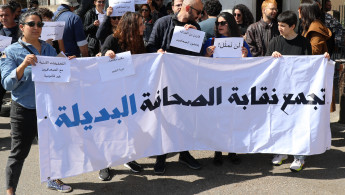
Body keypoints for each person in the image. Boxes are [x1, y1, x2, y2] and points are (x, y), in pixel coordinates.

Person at [1, 11, 73, 195]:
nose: (36, 28)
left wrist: (64, 64)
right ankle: (10, 191)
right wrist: (23, 65)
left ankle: (53, 180)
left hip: (47, 109)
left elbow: (55, 75)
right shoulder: (10, 51)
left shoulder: (48, 49)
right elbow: (7, 83)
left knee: (52, 149)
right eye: (32, 24)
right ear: (22, 27)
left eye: (40, 25)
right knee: (18, 154)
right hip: (23, 110)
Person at [266, 10, 330, 172]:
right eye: (278, 25)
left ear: (292, 26)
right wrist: (271, 57)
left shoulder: (303, 43)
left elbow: (310, 66)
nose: (279, 28)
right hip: (278, 92)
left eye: (283, 26)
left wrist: (324, 60)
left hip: (298, 92)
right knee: (280, 122)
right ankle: (281, 152)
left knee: (298, 123)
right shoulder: (274, 42)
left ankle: (299, 156)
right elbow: (265, 65)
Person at [147, 0, 203, 174]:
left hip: (185, 81)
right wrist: (158, 52)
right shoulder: (163, 22)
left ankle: (184, 153)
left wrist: (197, 37)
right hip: (164, 80)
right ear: (188, 8)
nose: (200, 16)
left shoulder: (196, 27)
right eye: (198, 12)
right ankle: (161, 156)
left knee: (184, 117)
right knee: (165, 118)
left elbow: (199, 54)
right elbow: (150, 45)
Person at [98, 12, 146, 181]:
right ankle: (104, 164)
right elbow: (101, 63)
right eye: (141, 24)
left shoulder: (139, 41)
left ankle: (128, 158)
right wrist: (106, 55)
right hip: (111, 94)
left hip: (130, 93)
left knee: (129, 128)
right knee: (110, 129)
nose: (144, 27)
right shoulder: (112, 39)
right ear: (131, 26)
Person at [203, 12, 250, 166]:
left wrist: (244, 57)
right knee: (218, 120)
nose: (220, 26)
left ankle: (232, 150)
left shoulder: (241, 43)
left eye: (223, 23)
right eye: (218, 23)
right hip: (216, 87)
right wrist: (207, 54)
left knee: (233, 120)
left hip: (234, 87)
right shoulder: (211, 41)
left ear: (230, 24)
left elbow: (251, 66)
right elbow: (201, 65)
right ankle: (217, 151)